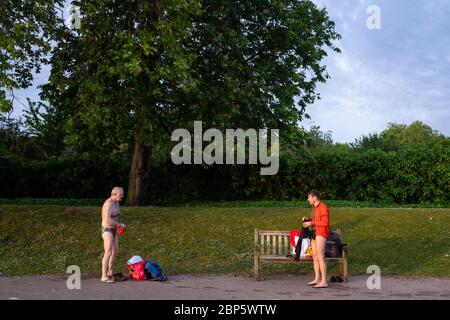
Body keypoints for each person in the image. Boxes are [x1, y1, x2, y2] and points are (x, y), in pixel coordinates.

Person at [302, 189, 330, 288]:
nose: (308, 199)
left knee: (320, 256)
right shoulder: (314, 207)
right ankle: (317, 279)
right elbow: (315, 220)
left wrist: (311, 223)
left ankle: (324, 282)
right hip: (314, 233)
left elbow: (325, 223)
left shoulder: (323, 207)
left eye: (309, 197)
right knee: (315, 257)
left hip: (321, 233)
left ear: (314, 197)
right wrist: (308, 219)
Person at [101, 186, 126, 283]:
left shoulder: (116, 202)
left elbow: (117, 216)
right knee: (108, 251)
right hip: (107, 229)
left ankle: (110, 272)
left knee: (115, 251)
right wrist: (119, 225)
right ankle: (103, 276)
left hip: (114, 229)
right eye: (121, 194)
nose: (123, 196)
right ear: (115, 194)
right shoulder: (108, 204)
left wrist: (120, 227)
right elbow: (107, 219)